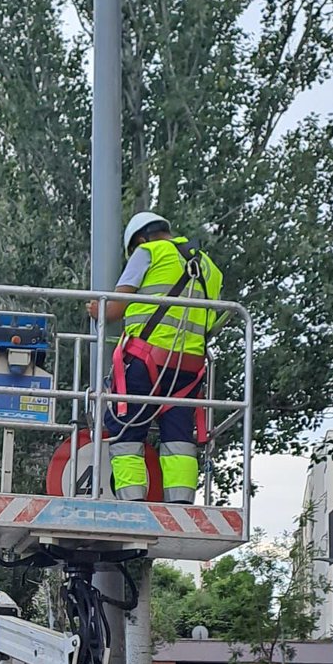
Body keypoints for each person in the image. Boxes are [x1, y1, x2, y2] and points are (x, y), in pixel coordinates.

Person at [86, 211, 223, 503]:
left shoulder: (147, 252)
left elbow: (114, 310)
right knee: (179, 437)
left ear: (140, 238)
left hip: (146, 362)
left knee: (126, 430)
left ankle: (131, 502)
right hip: (189, 369)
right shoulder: (210, 267)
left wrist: (96, 310)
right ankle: (181, 503)